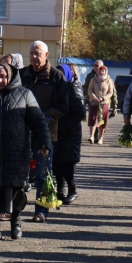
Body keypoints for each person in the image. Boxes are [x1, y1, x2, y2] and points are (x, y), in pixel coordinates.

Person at [0, 62, 51, 240]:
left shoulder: (25, 94)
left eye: (3, 76)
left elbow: (38, 121)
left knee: (15, 189)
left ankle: (15, 223)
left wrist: (45, 143)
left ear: (10, 76)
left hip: (16, 151)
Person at [19, 41, 68, 223]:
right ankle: (12, 209)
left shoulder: (56, 77)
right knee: (17, 172)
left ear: (46, 55)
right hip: (21, 132)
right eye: (31, 53)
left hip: (45, 134)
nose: (33, 56)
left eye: (37, 53)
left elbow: (63, 105)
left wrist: (42, 118)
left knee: (42, 173)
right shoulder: (21, 75)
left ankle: (41, 211)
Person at [53, 64, 85, 204]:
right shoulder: (57, 88)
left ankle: (72, 190)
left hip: (70, 133)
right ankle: (59, 191)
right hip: (58, 130)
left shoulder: (73, 88)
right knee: (56, 163)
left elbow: (80, 112)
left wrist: (66, 127)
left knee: (67, 164)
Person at [86, 65, 114, 144]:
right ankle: (91, 136)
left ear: (105, 72)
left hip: (104, 103)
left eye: (103, 71)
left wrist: (103, 98)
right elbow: (90, 89)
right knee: (93, 119)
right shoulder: (93, 79)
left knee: (102, 121)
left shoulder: (109, 80)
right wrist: (94, 97)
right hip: (94, 102)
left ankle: (101, 138)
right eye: (100, 71)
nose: (101, 72)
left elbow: (111, 92)